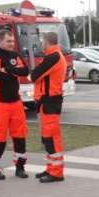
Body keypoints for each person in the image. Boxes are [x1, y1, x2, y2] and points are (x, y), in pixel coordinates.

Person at [0, 29, 30, 179]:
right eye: (8, 41)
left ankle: (20, 166)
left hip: (16, 102)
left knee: (20, 135)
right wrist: (14, 72)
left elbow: (25, 71)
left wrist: (9, 70)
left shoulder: (16, 55)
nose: (12, 43)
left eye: (12, 41)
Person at [30, 31, 66, 183]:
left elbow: (35, 75)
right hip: (47, 102)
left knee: (52, 139)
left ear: (46, 41)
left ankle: (56, 172)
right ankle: (51, 168)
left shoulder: (53, 56)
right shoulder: (54, 56)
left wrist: (34, 72)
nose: (41, 44)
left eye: (42, 41)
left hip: (50, 102)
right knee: (48, 139)